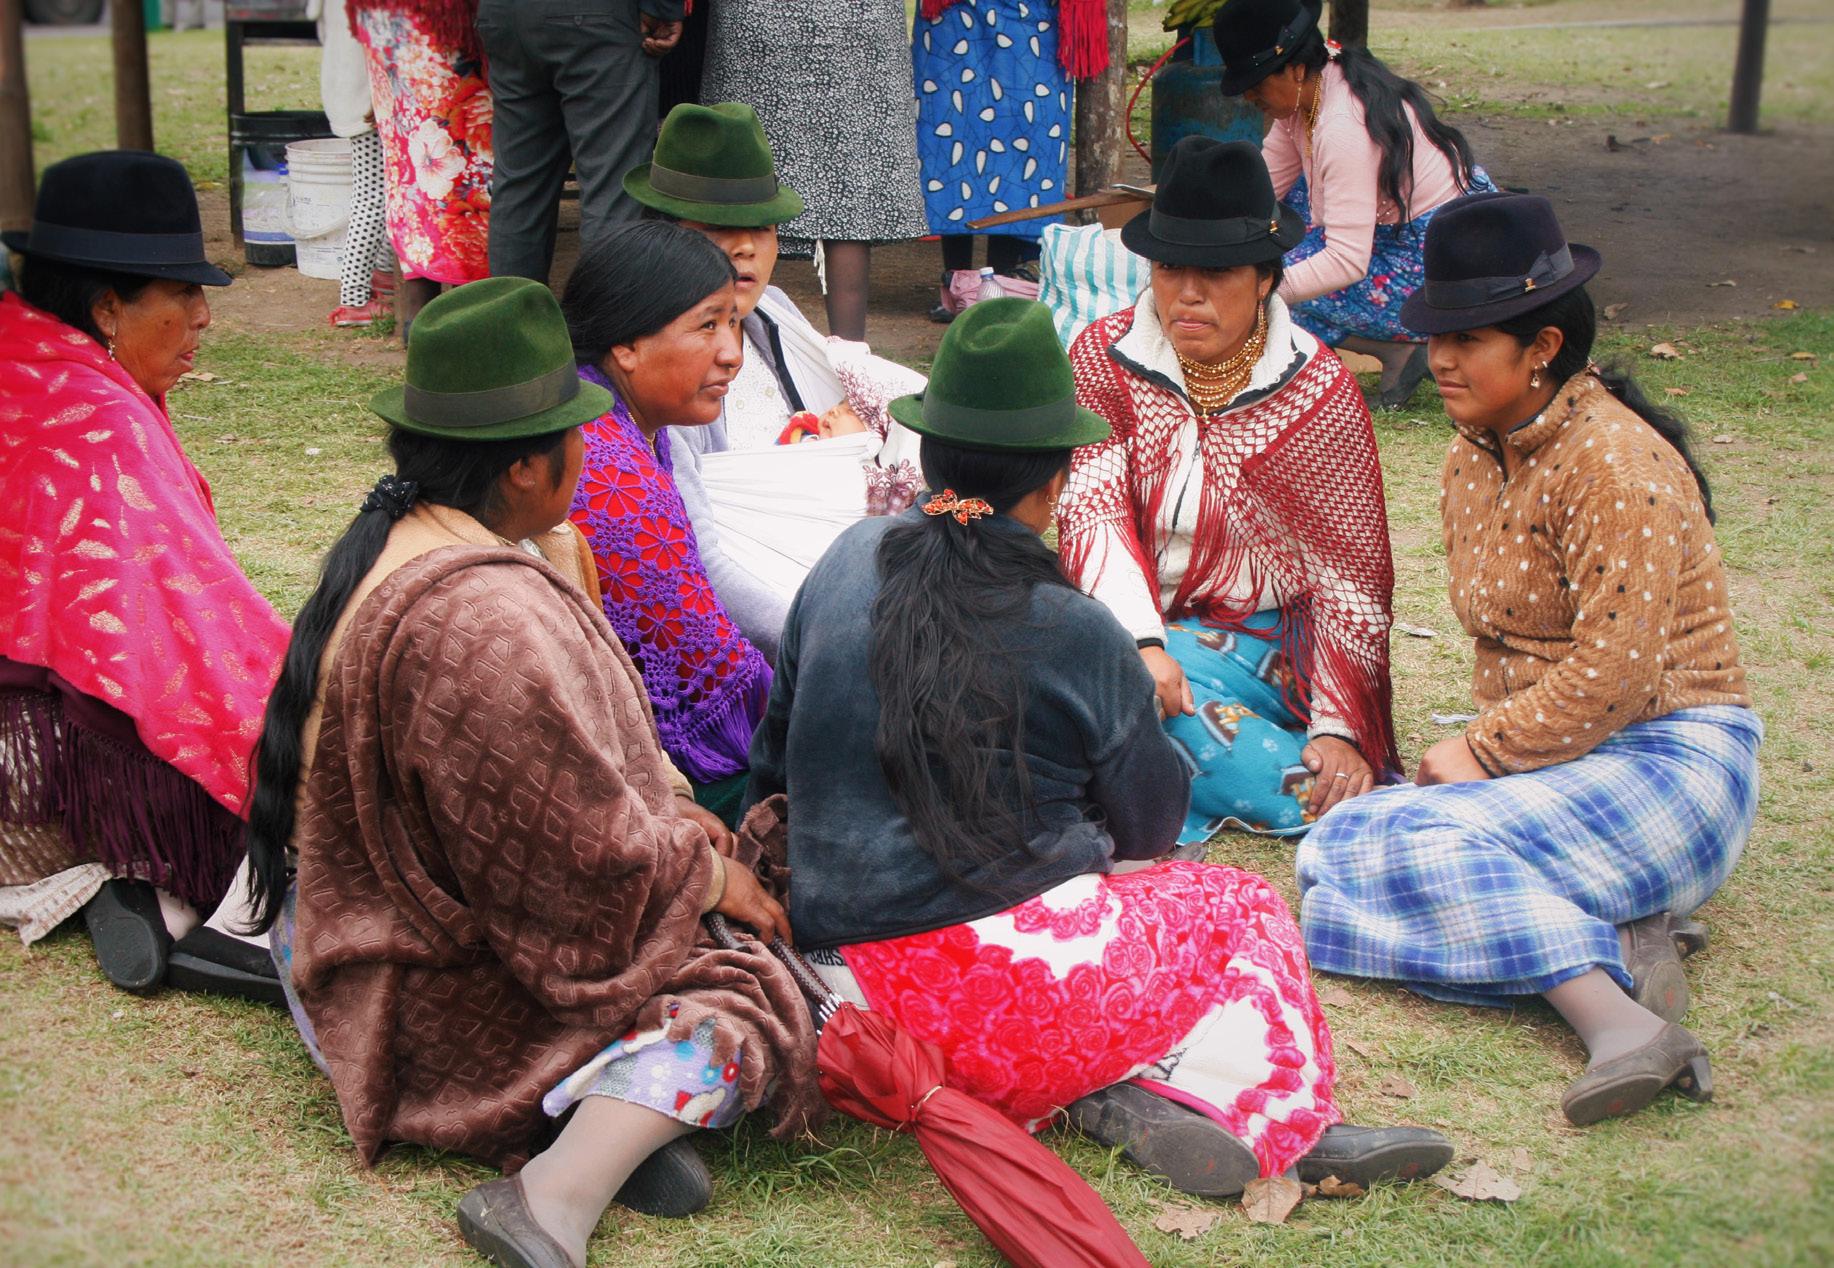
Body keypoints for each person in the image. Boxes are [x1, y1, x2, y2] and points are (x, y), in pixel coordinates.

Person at [745, 298, 1450, 1197]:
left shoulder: (848, 556)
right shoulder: (1077, 628)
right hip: (1007, 1009)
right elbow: (1152, 827)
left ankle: (1110, 1092)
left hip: (838, 1000)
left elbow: (776, 756)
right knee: (1238, 905)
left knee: (1075, 920)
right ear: (1053, 484)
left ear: (929, 453)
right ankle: (1282, 1120)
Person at [241, 277, 819, 1268]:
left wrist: (678, 817)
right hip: (424, 1003)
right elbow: (570, 877)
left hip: (363, 926)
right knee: (753, 996)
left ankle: (602, 1115)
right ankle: (554, 1188)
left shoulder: (427, 536)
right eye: (574, 436)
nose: (587, 455)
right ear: (521, 466)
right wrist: (701, 875)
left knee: (758, 860)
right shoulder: (484, 621)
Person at [1297, 193, 1761, 1128]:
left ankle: (1619, 1024)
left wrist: (1484, 754)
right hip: (1570, 769)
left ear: (1542, 346)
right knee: (1331, 860)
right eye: (1437, 334)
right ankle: (1624, 934)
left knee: (1376, 851)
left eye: (1469, 338)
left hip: (1674, 760)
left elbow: (1618, 677)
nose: (1440, 358)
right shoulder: (1474, 451)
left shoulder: (1617, 468)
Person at [0, 152, 290, 1002]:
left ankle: (132, 890)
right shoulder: (100, 421)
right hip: (36, 767)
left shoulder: (24, 354)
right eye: (183, 295)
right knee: (295, 752)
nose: (203, 317)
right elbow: (185, 640)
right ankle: (185, 901)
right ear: (107, 308)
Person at [1061, 137, 1399, 847]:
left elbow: (1349, 578)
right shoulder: (1101, 359)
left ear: (1267, 278)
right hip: (1135, 627)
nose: (1187, 292)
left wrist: (1340, 726)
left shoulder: (1318, 391)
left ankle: (1279, 769)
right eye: (1169, 267)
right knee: (1095, 681)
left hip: (1273, 644)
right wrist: (1142, 642)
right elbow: (1092, 511)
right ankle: (1185, 748)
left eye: (1216, 272)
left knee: (1091, 702)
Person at [625, 103, 928, 652]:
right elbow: (702, 555)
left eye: (761, 229)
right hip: (774, 632)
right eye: (719, 228)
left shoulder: (778, 318)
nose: (746, 247)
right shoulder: (653, 365)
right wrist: (826, 641)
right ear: (666, 236)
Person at [559, 221, 772, 825]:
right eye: (708, 325)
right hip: (628, 788)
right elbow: (715, 679)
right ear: (626, 346)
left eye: (733, 322)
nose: (732, 352)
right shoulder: (612, 477)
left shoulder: (615, 423)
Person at [1211, 0, 1493, 409]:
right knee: (1265, 254)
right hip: (1407, 231)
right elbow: (1258, 190)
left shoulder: (1343, 128)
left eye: (1255, 82)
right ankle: (1397, 352)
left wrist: (1244, 290)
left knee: (1268, 289)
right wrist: (1205, 244)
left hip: (1446, 257)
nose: (1249, 95)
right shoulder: (1310, 92)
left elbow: (1345, 260)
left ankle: (1409, 338)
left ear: (1295, 68)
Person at [700, 0, 929, 342]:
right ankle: (850, 363)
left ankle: (723, 349)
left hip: (758, 17)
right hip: (859, 18)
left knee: (742, 168)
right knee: (850, 179)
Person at [913, 0, 1110, 321]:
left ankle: (1000, 282)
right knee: (953, 138)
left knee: (1022, 139)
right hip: (955, 15)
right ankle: (957, 282)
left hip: (1031, 15)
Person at [477, 0, 685, 284]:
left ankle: (510, 325)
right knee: (612, 188)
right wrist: (662, 9)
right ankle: (603, 325)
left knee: (519, 188)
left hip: (506, 15)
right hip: (596, 17)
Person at [348, 0, 494, 337]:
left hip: (394, 21)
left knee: (415, 165)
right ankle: (458, 314)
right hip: (440, 22)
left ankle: (421, 313)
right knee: (459, 163)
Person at [316, 0, 397, 328]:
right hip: (366, 104)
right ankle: (354, 299)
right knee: (373, 196)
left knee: (386, 190)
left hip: (349, 95)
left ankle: (383, 273)